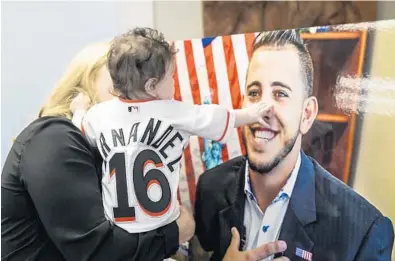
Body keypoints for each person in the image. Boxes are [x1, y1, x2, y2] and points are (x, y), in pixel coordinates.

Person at [194, 29, 395, 261]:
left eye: (280, 93)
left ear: (306, 115)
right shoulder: (210, 188)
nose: (262, 111)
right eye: (254, 92)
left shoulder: (364, 233)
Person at [1, 41, 195, 261]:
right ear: (83, 82)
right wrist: (174, 233)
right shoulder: (53, 137)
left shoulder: (102, 154)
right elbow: (96, 251)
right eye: (120, 76)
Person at [69, 27, 272, 236]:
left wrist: (79, 109)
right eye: (171, 76)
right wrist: (251, 114)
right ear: (151, 86)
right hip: (164, 226)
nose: (175, 81)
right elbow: (218, 117)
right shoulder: (173, 111)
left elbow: (77, 132)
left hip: (117, 230)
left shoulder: (98, 114)